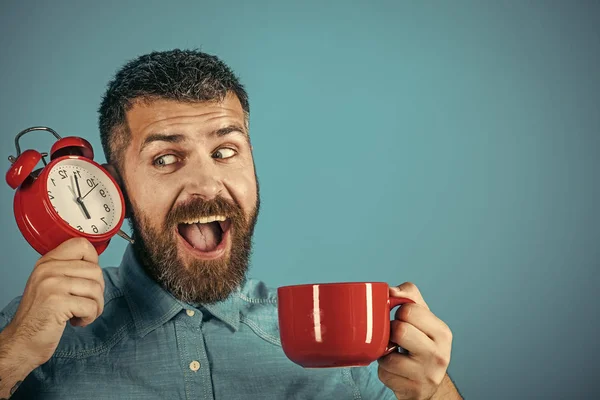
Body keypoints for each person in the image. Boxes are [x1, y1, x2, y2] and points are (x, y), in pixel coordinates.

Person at [0, 49, 462, 399]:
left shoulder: (347, 347)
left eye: (225, 152)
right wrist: (15, 352)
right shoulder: (32, 331)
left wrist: (434, 392)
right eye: (165, 158)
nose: (208, 183)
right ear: (114, 188)